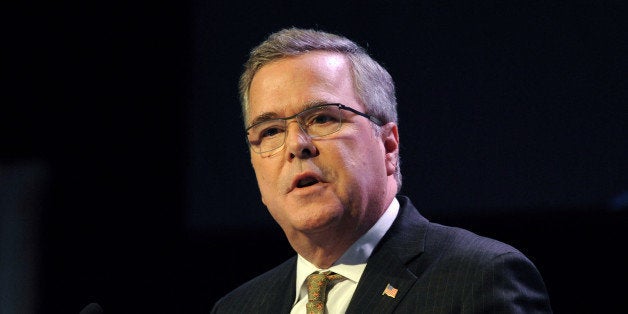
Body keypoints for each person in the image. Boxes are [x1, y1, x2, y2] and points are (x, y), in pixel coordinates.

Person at [211, 27, 552, 313]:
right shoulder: (238, 308)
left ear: (388, 145)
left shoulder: (479, 278)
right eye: (270, 131)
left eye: (323, 118)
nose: (296, 145)